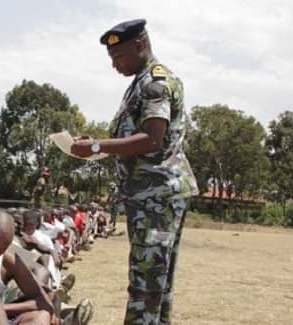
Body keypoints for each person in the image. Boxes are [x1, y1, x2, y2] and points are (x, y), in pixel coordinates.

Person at [71, 19, 198, 324]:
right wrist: (98, 144)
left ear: (139, 46)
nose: (115, 65)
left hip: (157, 196)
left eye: (118, 57)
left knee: (146, 281)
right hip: (154, 195)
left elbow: (152, 140)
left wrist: (99, 147)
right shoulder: (142, 81)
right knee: (157, 281)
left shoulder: (155, 82)